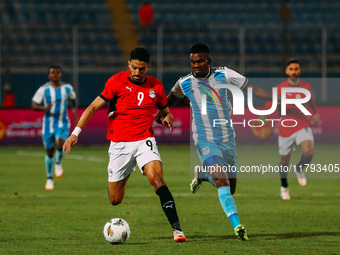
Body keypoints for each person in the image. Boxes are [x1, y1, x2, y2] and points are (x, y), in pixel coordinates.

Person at [62, 48, 187, 243]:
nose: (138, 73)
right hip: (119, 145)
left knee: (158, 180)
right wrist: (74, 134)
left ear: (148, 67)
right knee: (115, 200)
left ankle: (177, 231)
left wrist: (167, 117)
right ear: (129, 64)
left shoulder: (157, 86)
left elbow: (164, 111)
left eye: (142, 69)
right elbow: (94, 106)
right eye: (135, 68)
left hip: (144, 140)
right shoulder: (116, 81)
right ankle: (128, 170)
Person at [155, 43, 273, 241]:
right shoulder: (184, 83)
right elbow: (166, 103)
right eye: (193, 62)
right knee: (221, 180)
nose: (196, 65)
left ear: (208, 61)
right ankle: (238, 226)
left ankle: (202, 176)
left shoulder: (225, 74)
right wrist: (163, 117)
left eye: (200, 61)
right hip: (204, 139)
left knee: (230, 188)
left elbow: (252, 90)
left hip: (227, 140)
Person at [268, 59, 320, 200]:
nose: (294, 72)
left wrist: (315, 113)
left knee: (308, 153)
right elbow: (272, 105)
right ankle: (284, 186)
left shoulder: (306, 86)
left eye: (296, 69)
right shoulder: (279, 89)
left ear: (299, 71)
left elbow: (311, 102)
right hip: (286, 126)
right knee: (284, 161)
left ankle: (299, 168)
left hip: (303, 124)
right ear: (287, 71)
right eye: (291, 69)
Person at [32, 65, 78, 191]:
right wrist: (44, 108)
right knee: (49, 152)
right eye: (53, 72)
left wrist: (74, 112)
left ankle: (58, 163)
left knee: (60, 144)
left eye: (58, 72)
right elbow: (34, 104)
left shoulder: (67, 88)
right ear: (49, 75)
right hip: (48, 125)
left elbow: (73, 99)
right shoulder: (44, 89)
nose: (55, 74)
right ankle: (49, 178)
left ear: (60, 75)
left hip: (62, 122)